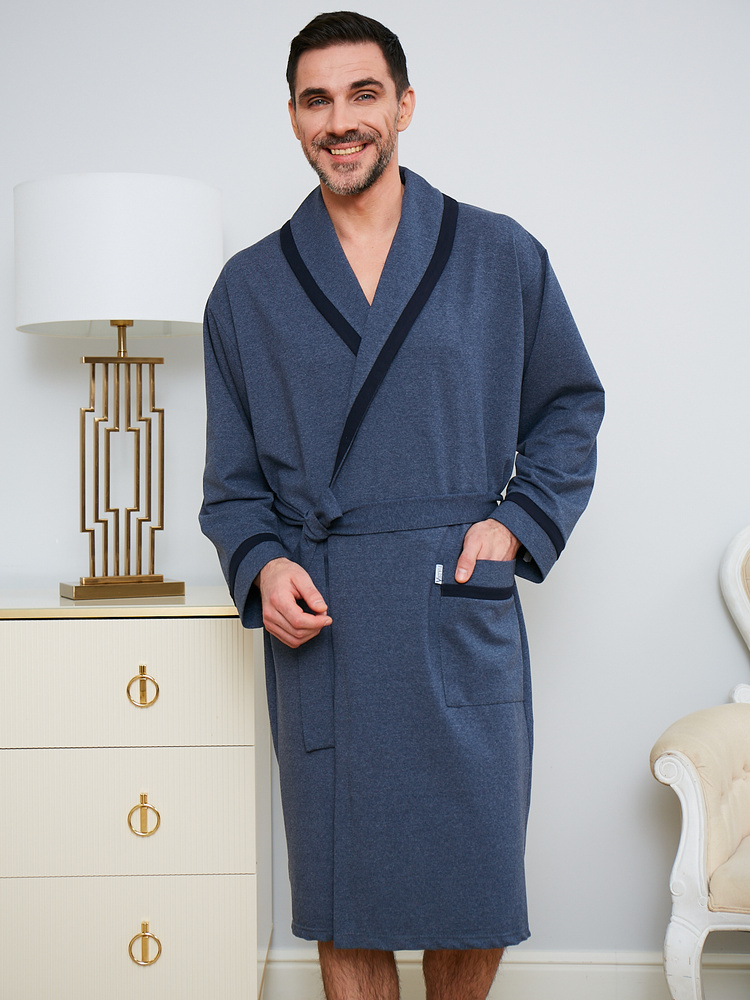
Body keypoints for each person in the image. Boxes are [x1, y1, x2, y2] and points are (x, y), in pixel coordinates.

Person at [200, 11, 604, 1000]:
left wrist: (512, 525)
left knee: (473, 888)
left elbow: (568, 407)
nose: (340, 120)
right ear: (294, 118)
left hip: (454, 608)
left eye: (363, 94)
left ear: (405, 105)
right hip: (330, 625)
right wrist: (266, 565)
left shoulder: (499, 255)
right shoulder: (247, 290)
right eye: (317, 100)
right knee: (346, 905)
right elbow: (232, 487)